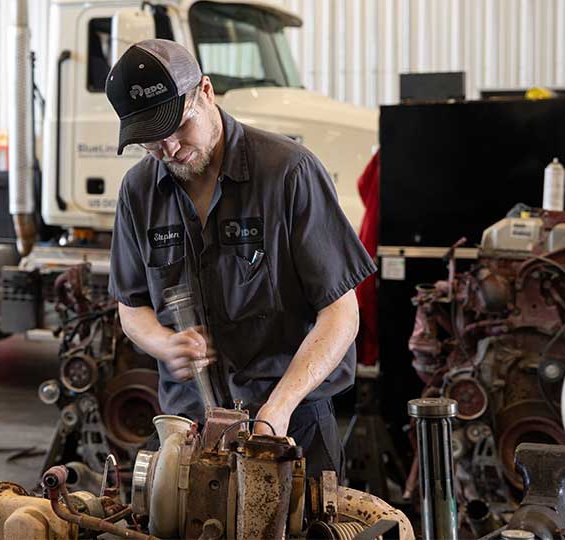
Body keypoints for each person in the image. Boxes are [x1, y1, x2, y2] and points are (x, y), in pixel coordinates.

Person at [104, 39, 375, 477]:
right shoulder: (138, 192)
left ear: (206, 92)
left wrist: (278, 410)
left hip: (291, 423)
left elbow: (341, 314)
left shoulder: (289, 173)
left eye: (179, 126)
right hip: (188, 427)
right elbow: (131, 305)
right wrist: (165, 343)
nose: (169, 149)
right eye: (151, 142)